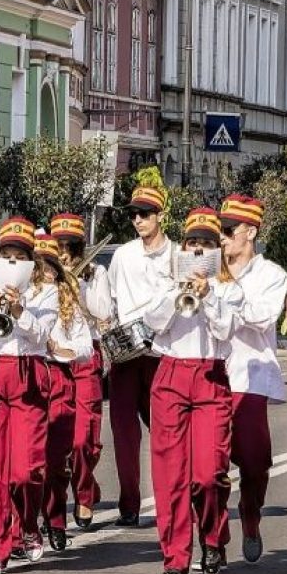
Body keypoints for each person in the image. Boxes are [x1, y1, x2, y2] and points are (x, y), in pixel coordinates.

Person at [143, 208, 235, 574]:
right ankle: (175, 558)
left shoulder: (228, 288)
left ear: (217, 251)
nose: (198, 250)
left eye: (206, 244)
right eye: (192, 243)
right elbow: (153, 322)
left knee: (209, 474)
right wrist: (179, 291)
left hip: (210, 375)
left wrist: (208, 294)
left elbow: (226, 330)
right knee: (170, 476)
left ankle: (212, 539)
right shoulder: (167, 283)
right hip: (171, 375)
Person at [0, 216, 57, 574]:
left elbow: (42, 337)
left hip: (28, 374)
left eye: (20, 256)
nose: (12, 262)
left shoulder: (44, 292)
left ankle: (28, 526)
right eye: (7, 255)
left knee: (25, 470)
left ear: (30, 261)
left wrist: (19, 311)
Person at [217, 194, 287, 566]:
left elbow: (261, 317)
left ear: (251, 231)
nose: (222, 237)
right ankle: (214, 537)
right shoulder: (207, 268)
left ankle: (250, 513)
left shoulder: (272, 274)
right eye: (220, 230)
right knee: (209, 468)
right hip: (211, 377)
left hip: (251, 375)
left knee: (255, 462)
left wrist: (223, 295)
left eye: (229, 230)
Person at [106, 185, 173, 527]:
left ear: (160, 215)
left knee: (164, 432)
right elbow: (113, 299)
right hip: (126, 352)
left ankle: (169, 500)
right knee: (123, 431)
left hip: (160, 352)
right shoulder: (123, 255)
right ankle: (129, 504)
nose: (137, 220)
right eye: (133, 214)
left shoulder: (176, 255)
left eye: (144, 213)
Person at [51, 212, 113, 532]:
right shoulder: (46, 269)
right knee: (60, 437)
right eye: (57, 244)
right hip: (56, 360)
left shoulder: (95, 271)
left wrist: (79, 284)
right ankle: (66, 496)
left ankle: (85, 495)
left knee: (85, 438)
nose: (62, 251)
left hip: (87, 356)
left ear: (78, 246)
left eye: (68, 245)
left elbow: (104, 311)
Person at [36, 234, 94, 552]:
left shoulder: (66, 299)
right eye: (38, 266)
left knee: (56, 460)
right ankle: (26, 524)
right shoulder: (22, 296)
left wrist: (63, 349)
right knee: (29, 461)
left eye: (49, 267)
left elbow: (85, 346)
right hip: (29, 378)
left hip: (58, 378)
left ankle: (56, 519)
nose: (43, 272)